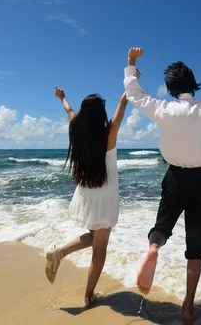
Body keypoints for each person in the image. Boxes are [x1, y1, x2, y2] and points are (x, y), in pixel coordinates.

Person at [123, 47, 201, 318]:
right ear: (193, 85)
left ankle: (154, 248)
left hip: (175, 177)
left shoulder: (163, 109)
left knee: (162, 226)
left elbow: (134, 94)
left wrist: (131, 63)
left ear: (169, 88)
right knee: (195, 245)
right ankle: (188, 306)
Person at [45, 86, 129, 307]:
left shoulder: (76, 129)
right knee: (99, 248)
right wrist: (128, 86)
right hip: (105, 195)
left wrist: (62, 97)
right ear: (100, 115)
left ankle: (59, 253)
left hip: (86, 192)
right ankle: (88, 296)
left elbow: (69, 111)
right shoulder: (108, 134)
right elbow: (121, 110)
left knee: (94, 239)